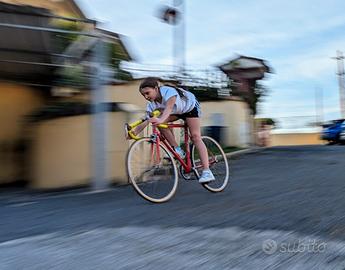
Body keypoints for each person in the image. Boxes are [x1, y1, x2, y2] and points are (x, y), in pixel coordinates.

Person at [133, 77, 215, 183]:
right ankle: (178, 150)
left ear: (156, 88)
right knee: (157, 122)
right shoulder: (151, 104)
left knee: (195, 137)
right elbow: (146, 120)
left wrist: (160, 119)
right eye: (143, 95)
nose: (146, 97)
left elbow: (169, 108)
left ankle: (207, 171)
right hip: (177, 113)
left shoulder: (168, 91)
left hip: (190, 108)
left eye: (148, 93)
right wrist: (134, 132)